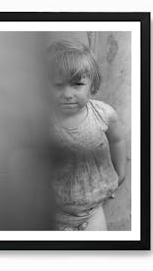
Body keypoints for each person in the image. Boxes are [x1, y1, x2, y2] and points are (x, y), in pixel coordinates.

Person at [47, 39, 127, 231]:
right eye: (58, 86)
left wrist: (120, 170)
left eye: (77, 84)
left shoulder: (104, 114)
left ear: (92, 84)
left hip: (93, 210)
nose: (67, 94)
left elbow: (117, 140)